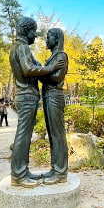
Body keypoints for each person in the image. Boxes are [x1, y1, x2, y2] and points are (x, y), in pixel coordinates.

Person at [9, 16, 64, 187]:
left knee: (24, 134)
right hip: (27, 96)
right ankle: (19, 175)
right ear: (26, 30)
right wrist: (51, 68)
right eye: (34, 31)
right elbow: (28, 69)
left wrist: (44, 67)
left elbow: (34, 65)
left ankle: (23, 172)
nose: (36, 35)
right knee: (23, 135)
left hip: (27, 96)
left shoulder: (18, 47)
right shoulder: (22, 46)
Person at [39, 28, 69, 184]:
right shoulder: (52, 58)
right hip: (47, 96)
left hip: (54, 96)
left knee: (58, 134)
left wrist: (40, 73)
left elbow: (57, 78)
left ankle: (61, 172)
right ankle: (54, 168)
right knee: (51, 134)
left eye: (48, 37)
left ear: (56, 39)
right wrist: (45, 73)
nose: (46, 40)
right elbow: (49, 76)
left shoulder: (61, 56)